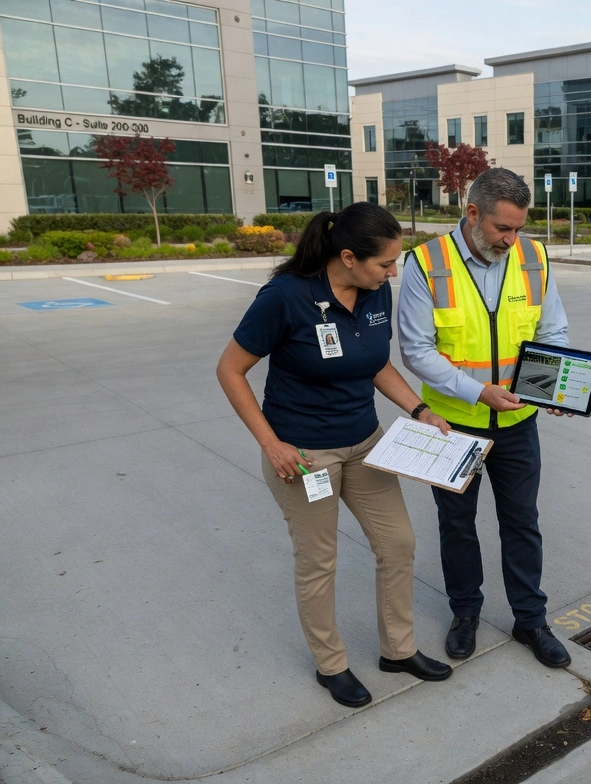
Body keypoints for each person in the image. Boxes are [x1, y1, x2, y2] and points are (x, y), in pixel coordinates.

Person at [216, 202, 452, 708]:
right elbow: (230, 370)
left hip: (364, 444)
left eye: (396, 263)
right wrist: (271, 443)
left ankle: (398, 649)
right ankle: (332, 665)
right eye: (385, 264)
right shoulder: (286, 297)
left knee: (399, 544)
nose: (393, 273)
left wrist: (419, 408)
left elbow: (374, 362)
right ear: (348, 257)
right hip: (304, 456)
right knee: (319, 560)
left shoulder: (374, 293)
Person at [397, 168, 572, 669]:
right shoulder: (425, 263)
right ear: (473, 213)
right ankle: (465, 614)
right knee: (458, 526)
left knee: (523, 523)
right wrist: (479, 393)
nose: (512, 239)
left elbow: (552, 330)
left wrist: (552, 384)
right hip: (453, 425)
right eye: (502, 229)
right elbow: (416, 350)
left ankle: (530, 620)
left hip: (518, 425)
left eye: (518, 228)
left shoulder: (533, 257)